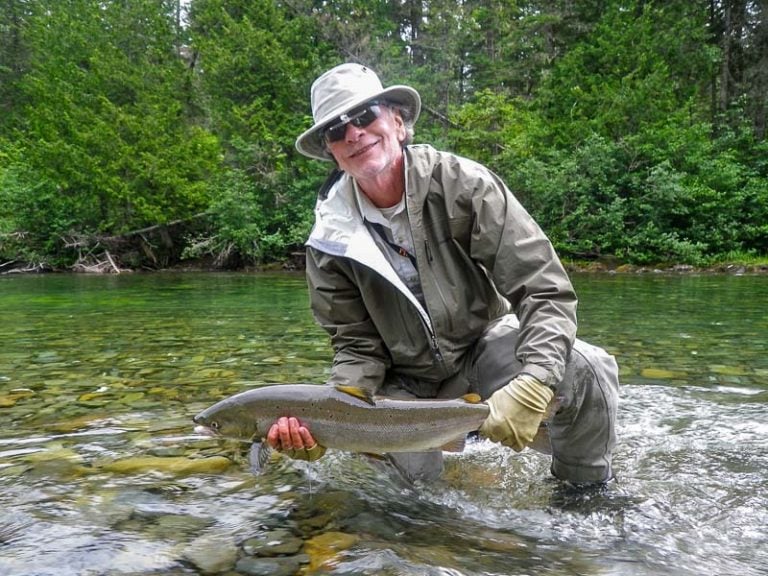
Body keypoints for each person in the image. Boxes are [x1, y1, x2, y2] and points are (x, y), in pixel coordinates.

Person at [266, 62, 619, 485]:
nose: (354, 134)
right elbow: (356, 346)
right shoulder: (329, 241)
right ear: (332, 152)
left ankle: (583, 492)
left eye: (364, 116)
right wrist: (331, 422)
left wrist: (535, 380)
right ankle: (441, 543)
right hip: (404, 388)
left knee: (585, 367)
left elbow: (544, 289)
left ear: (397, 122)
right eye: (337, 131)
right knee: (415, 499)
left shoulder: (463, 185)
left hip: (483, 348)